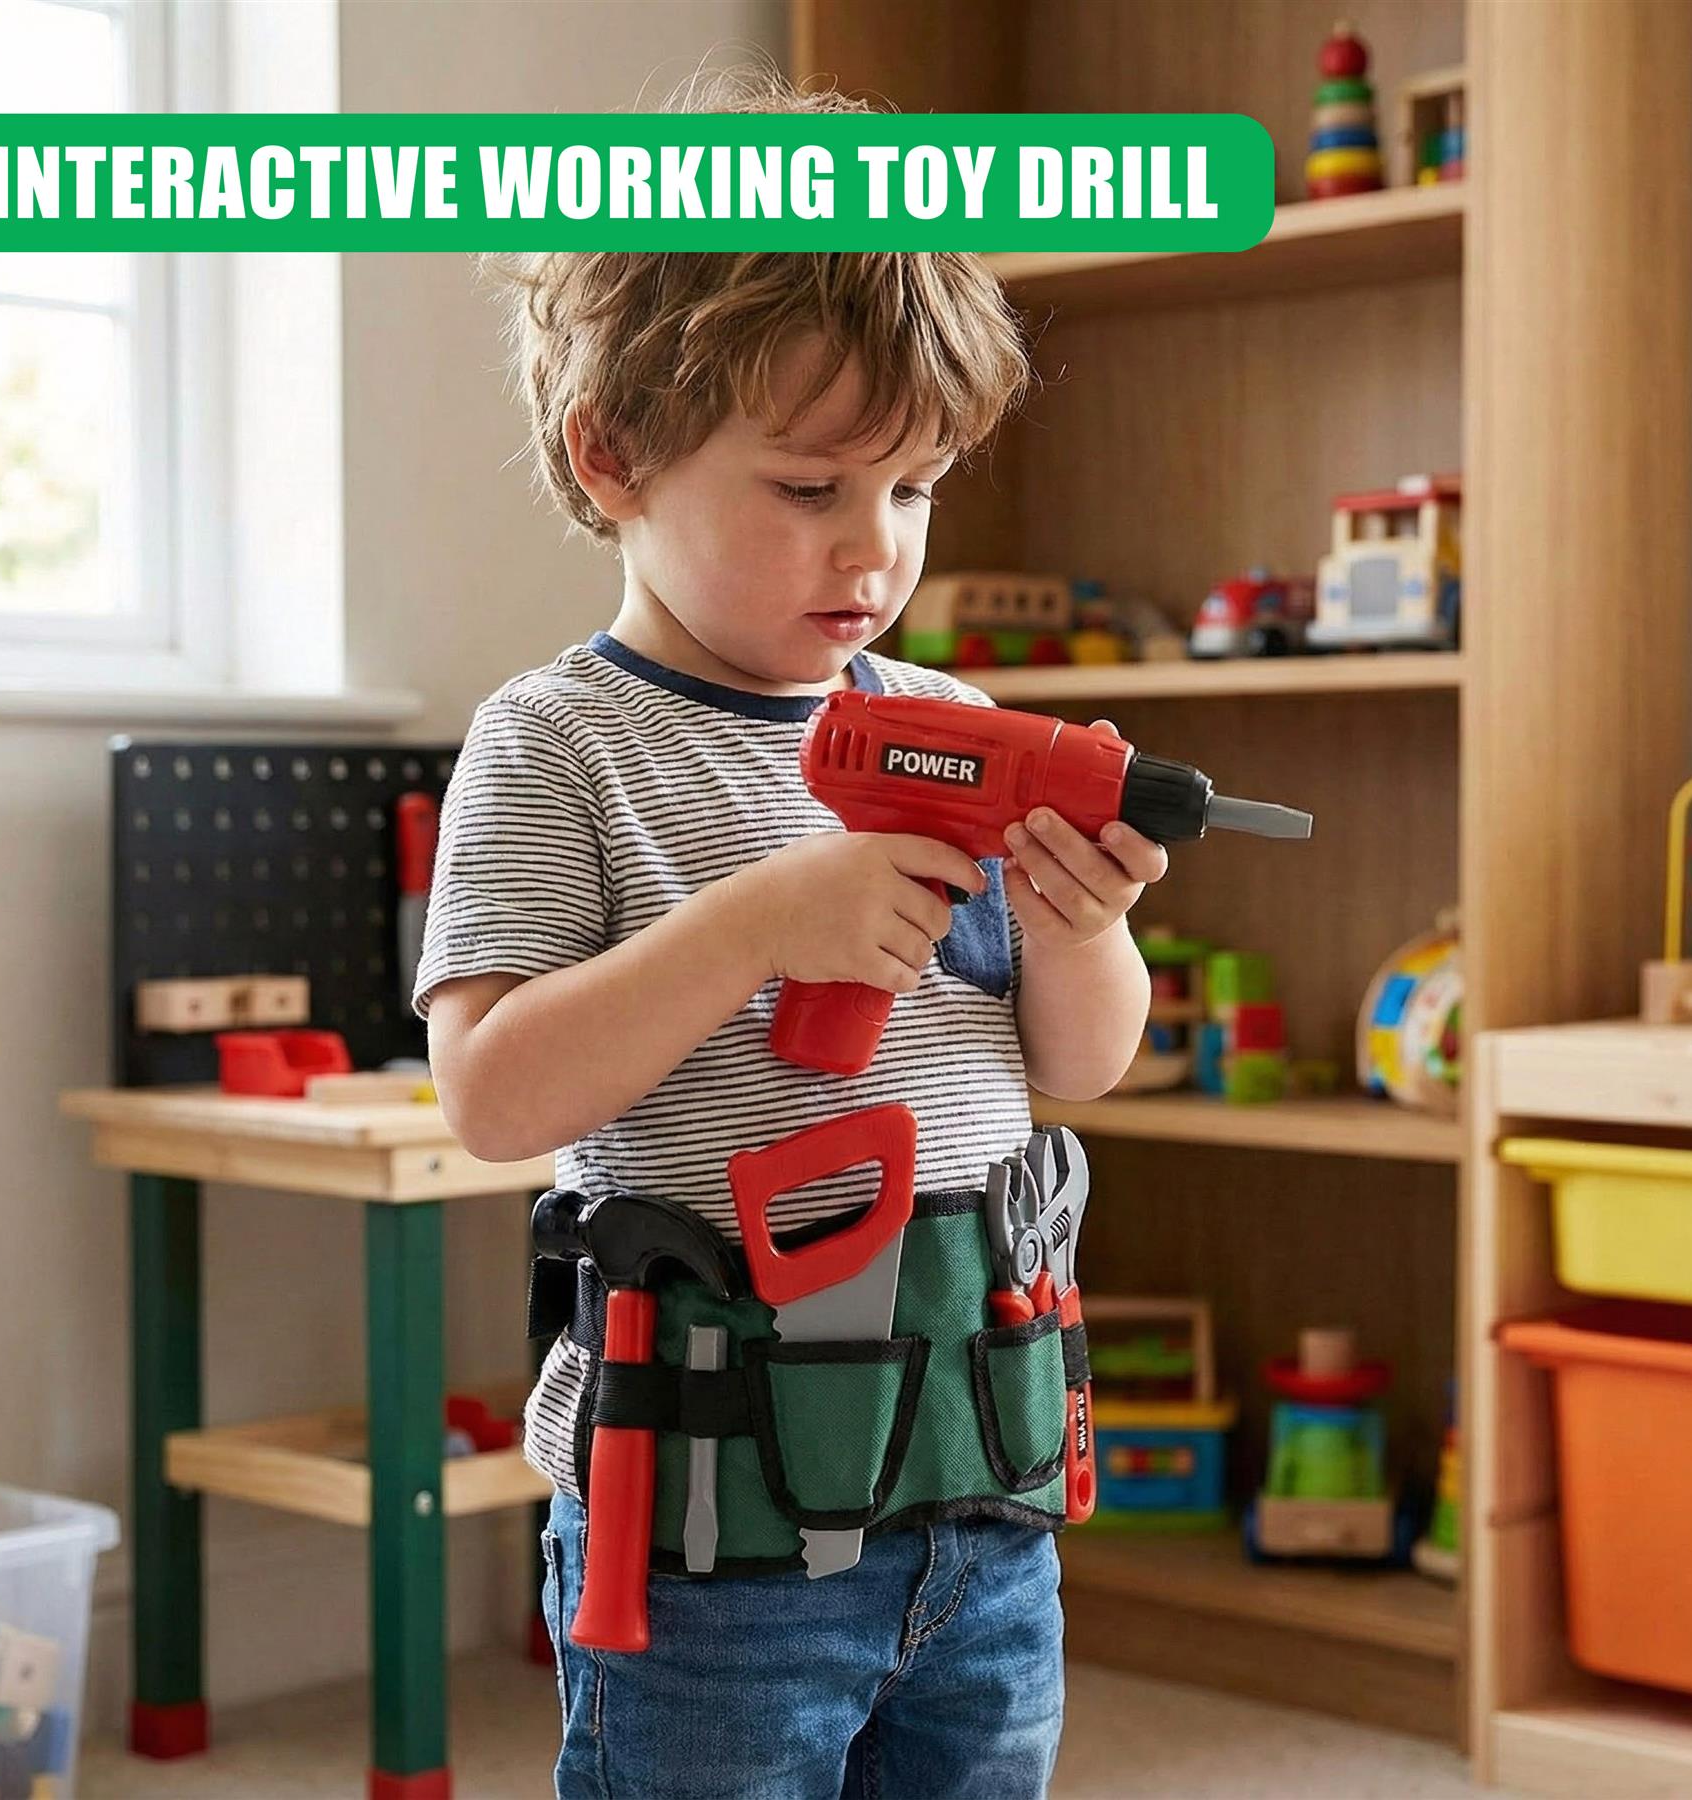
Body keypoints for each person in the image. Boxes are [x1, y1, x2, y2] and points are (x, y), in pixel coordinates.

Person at [416, 63, 1166, 1800]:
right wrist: (761, 921)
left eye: (913, 490)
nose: (876, 553)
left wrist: (1081, 930)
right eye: (812, 489)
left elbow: (1078, 1070)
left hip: (976, 1506)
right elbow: (494, 1099)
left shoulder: (947, 716)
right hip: (709, 1538)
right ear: (614, 460)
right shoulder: (558, 745)